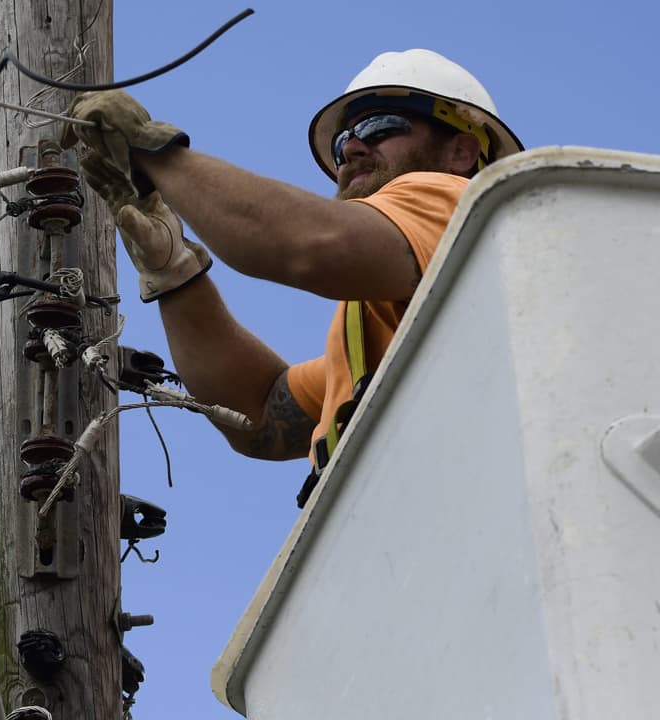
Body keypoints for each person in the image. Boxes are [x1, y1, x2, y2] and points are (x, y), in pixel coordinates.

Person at [60, 49, 523, 505]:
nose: (353, 148)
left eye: (381, 126)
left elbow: (311, 244)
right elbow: (261, 414)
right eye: (344, 141)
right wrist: (173, 271)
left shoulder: (461, 203)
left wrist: (151, 149)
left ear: (462, 150)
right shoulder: (386, 329)